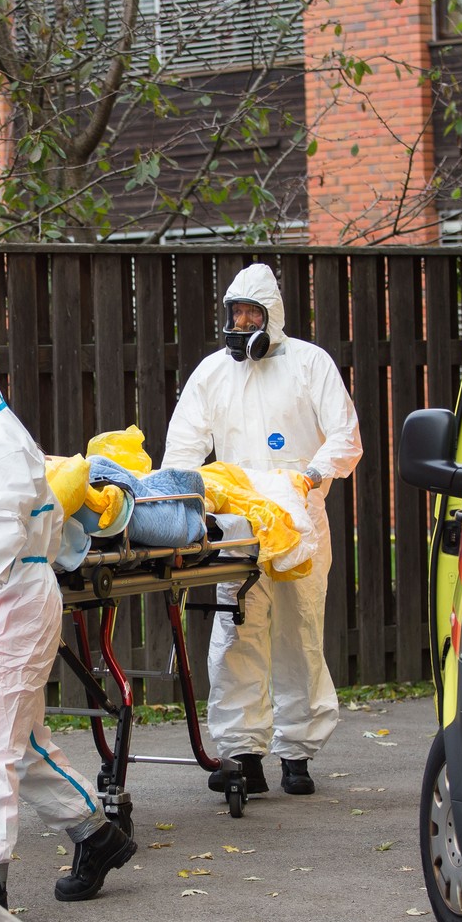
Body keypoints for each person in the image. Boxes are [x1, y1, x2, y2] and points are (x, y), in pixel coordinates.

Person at [0, 330, 135, 909]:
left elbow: (7, 520)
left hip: (4, 608)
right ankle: (97, 835)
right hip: (5, 605)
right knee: (23, 743)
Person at [163, 263, 362, 797]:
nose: (243, 321)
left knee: (299, 632)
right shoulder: (212, 373)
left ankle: (297, 753)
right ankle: (243, 753)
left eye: (252, 312)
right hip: (239, 524)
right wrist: (182, 505)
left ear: (272, 316)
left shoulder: (309, 364)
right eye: (236, 312)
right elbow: (183, 446)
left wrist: (313, 477)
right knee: (237, 631)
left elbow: (344, 435)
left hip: (298, 518)